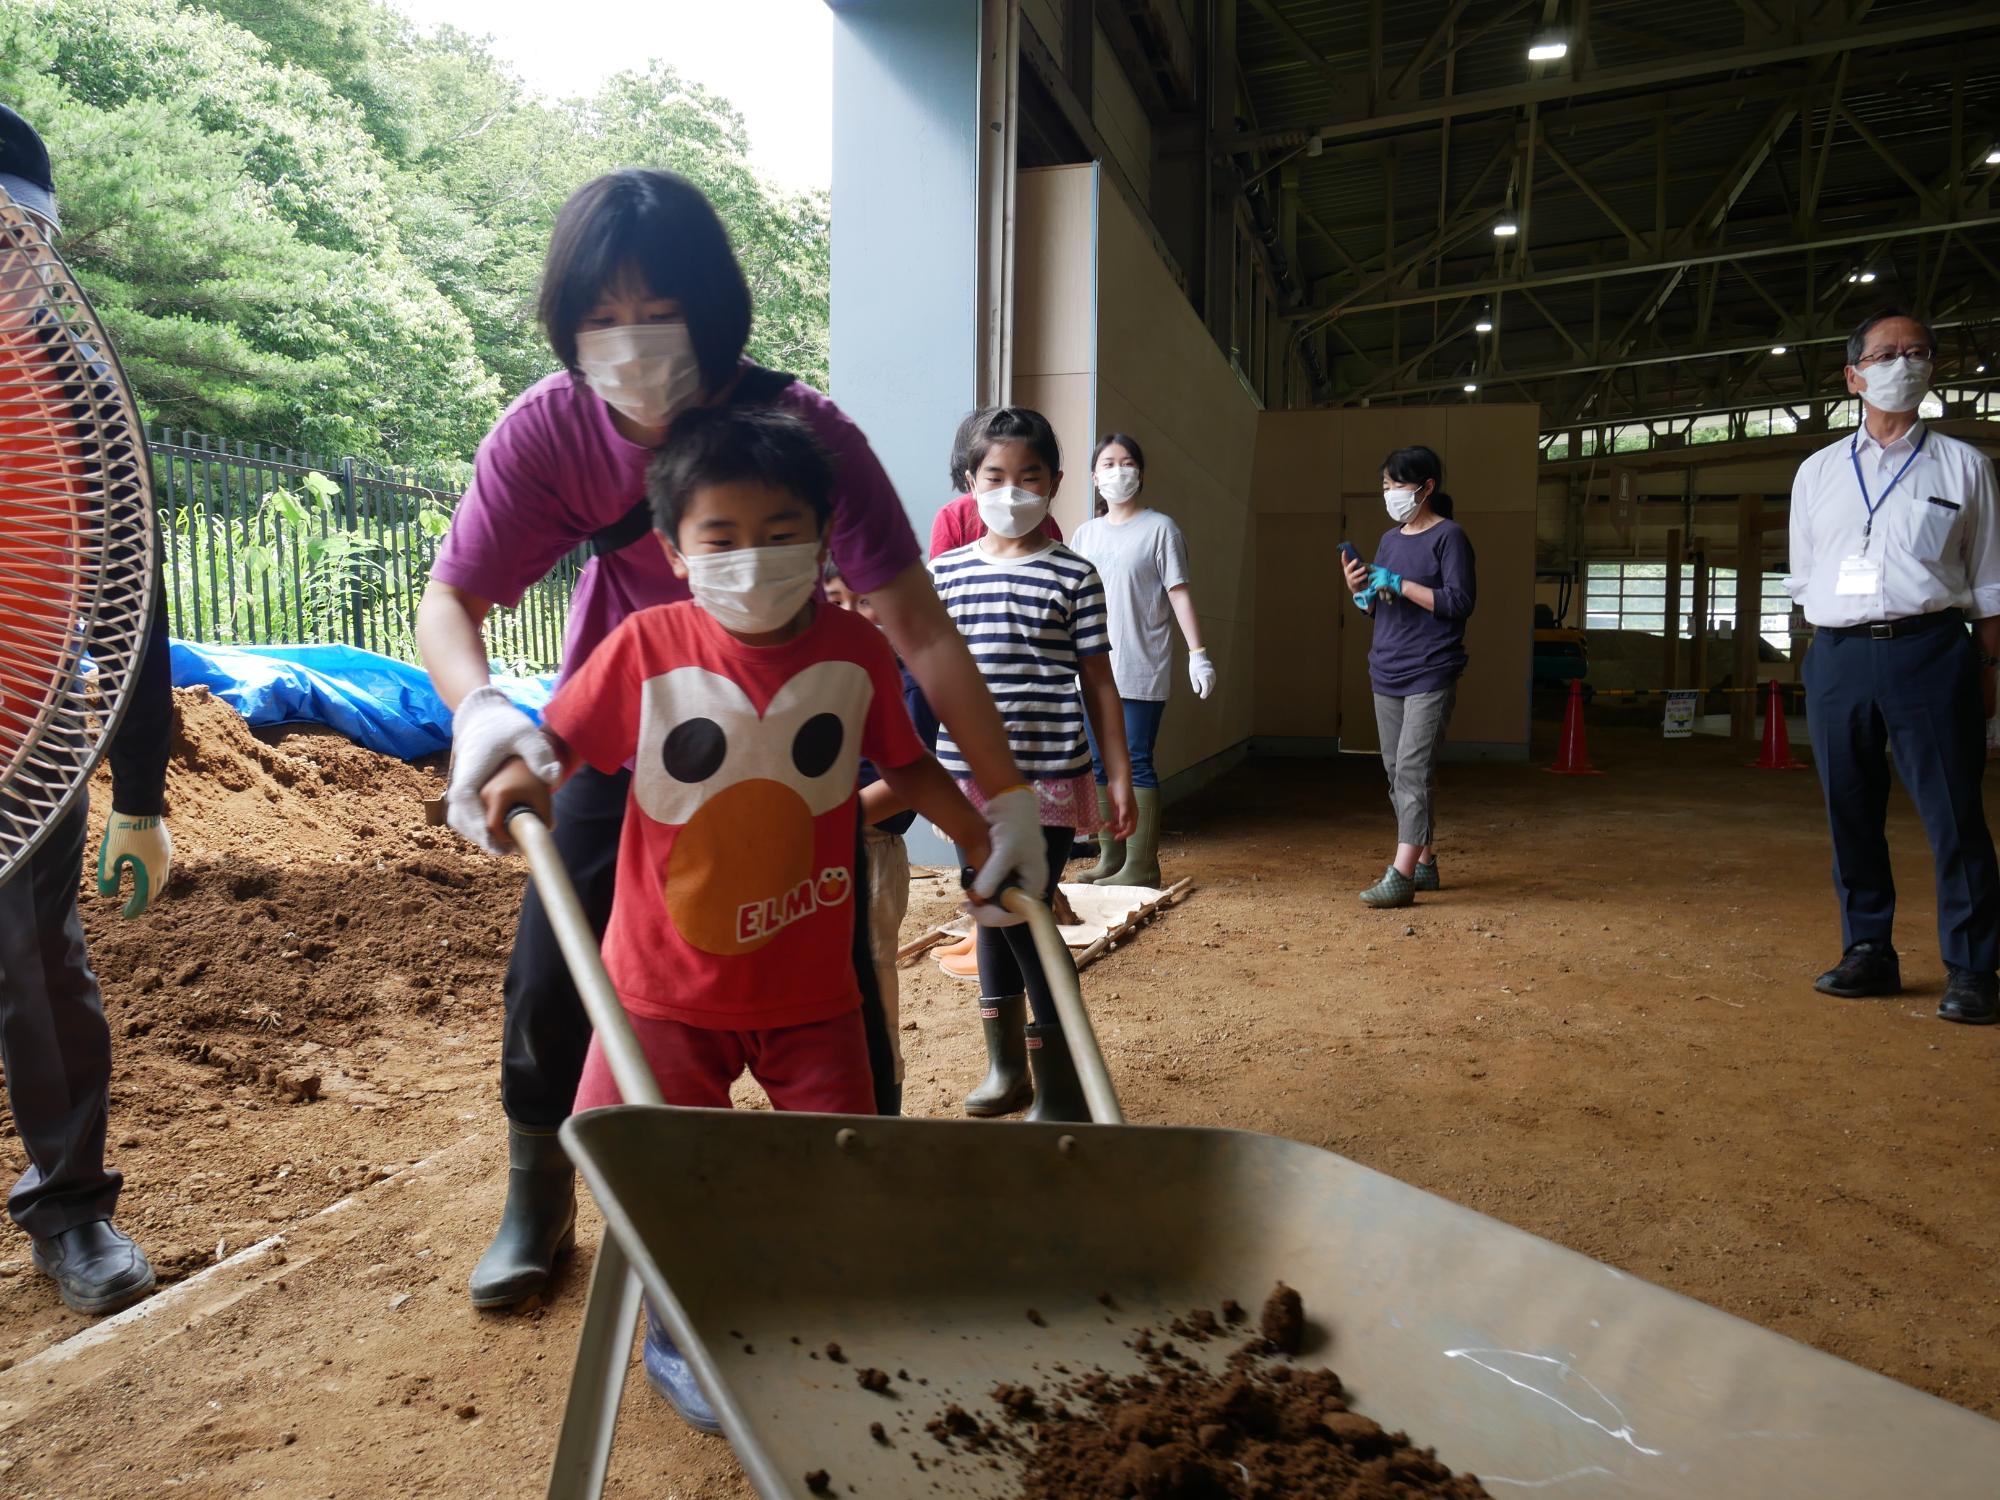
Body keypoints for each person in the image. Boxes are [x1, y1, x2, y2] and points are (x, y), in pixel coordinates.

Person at [415, 169, 1046, 1323]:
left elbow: (917, 624)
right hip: (629, 730)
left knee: (827, 971)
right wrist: (481, 713)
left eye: (657, 310)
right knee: (556, 976)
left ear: (715, 311)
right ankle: (539, 1189)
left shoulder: (803, 432)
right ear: (566, 327)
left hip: (795, 734)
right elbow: (451, 600)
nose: (629, 341)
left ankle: (854, 1183)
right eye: (598, 317)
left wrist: (999, 803)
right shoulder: (548, 429)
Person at [480, 406, 991, 1430]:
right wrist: (509, 775)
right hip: (659, 992)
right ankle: (677, 1322)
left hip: (810, 994)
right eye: (720, 537)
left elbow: (903, 763)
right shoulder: (644, 646)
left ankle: (812, 1305)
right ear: (674, 550)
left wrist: (988, 838)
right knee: (649, 1163)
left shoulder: (853, 649)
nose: (751, 559)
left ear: (821, 535)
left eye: (779, 532)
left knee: (840, 1163)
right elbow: (556, 751)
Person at [0, 105, 169, 1316]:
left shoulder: (68, 379)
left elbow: (130, 593)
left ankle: (72, 1208)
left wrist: (142, 795)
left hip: (25, 730)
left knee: (32, 962)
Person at [1786, 308, 2000, 1024]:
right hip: (1839, 655)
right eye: (1886, 354)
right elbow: (1804, 576)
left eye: (1917, 352)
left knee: (1954, 815)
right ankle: (1867, 951)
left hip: (1931, 650)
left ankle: (1972, 968)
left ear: (1932, 369)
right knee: (1850, 811)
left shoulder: (1966, 466)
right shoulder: (1817, 472)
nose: (1902, 363)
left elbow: (1990, 581)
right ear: (1854, 375)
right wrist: (1815, 662)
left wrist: (1988, 664)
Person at [931, 408, 1135, 1121]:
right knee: (990, 911)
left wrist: (1119, 773)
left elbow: (1099, 682)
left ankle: (1061, 1085)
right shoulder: (944, 576)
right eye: (995, 476)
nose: (1011, 490)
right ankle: (1007, 1069)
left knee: (1031, 911)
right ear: (968, 482)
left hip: (1049, 778)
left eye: (1030, 476)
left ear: (1053, 484)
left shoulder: (1075, 575)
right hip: (966, 779)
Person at [1069, 434, 1215, 886]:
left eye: (1127, 462)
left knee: (1133, 760)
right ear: (1095, 477)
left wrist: (1199, 653)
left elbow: (1178, 593)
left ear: (1141, 473)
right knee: (1097, 763)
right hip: (1090, 668)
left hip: (1138, 666)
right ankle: (1111, 857)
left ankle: (1142, 865)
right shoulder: (1084, 534)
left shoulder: (1160, 529)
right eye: (1108, 463)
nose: (1118, 470)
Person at [1339, 445, 1477, 910]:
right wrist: (1361, 590)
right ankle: (1425, 863)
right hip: (1387, 666)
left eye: (1397, 485)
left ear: (1426, 487)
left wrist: (1399, 583)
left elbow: (1458, 603)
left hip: (1432, 668)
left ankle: (1400, 875)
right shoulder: (1389, 539)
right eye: (1386, 486)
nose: (1390, 493)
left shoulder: (1450, 537)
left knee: (1413, 771)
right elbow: (1378, 608)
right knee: (1397, 773)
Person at [824, 557, 934, 1086]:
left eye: (864, 599)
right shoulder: (817, 679)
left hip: (869, 851)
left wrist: (827, 824)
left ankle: (880, 1092)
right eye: (835, 599)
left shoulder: (905, 681)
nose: (852, 613)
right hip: (809, 852)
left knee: (868, 977)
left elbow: (907, 782)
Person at [928, 406, 1062, 559]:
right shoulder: (953, 517)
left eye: (1029, 479)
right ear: (972, 481)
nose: (1010, 495)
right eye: (994, 479)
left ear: (1054, 484)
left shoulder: (1047, 526)